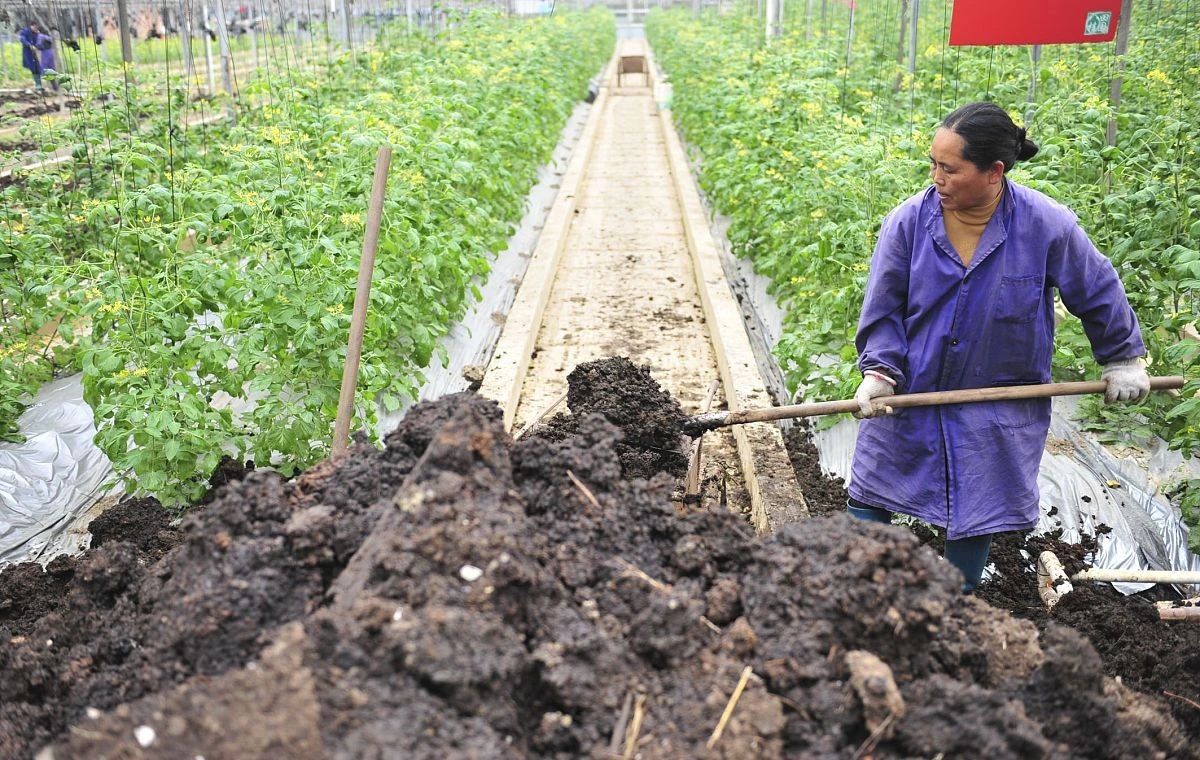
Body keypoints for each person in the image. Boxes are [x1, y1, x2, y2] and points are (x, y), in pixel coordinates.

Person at [848, 101, 1150, 592]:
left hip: (997, 398)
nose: (936, 177)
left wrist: (1121, 358)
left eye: (950, 168)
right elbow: (883, 310)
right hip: (911, 390)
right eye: (933, 164)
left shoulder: (1045, 224)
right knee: (873, 487)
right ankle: (858, 593)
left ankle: (955, 606)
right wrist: (880, 372)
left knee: (976, 505)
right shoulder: (908, 223)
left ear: (994, 171)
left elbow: (1097, 288)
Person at [18, 23, 44, 93]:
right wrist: (29, 45)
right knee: (34, 68)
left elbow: (39, 42)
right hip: (28, 54)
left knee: (38, 69)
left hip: (36, 53)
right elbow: (22, 39)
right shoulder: (25, 31)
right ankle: (38, 86)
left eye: (37, 28)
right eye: (35, 27)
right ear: (31, 26)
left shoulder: (37, 33)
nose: (36, 29)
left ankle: (39, 86)